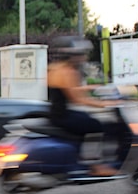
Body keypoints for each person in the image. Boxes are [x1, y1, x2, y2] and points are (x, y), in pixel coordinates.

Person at [47, 35, 118, 177]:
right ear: (71, 56)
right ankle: (96, 165)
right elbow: (77, 99)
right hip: (62, 116)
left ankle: (82, 157)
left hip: (57, 113)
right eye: (81, 55)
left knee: (85, 119)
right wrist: (103, 104)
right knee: (95, 125)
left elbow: (68, 90)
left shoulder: (55, 68)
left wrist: (90, 87)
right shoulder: (67, 72)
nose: (84, 58)